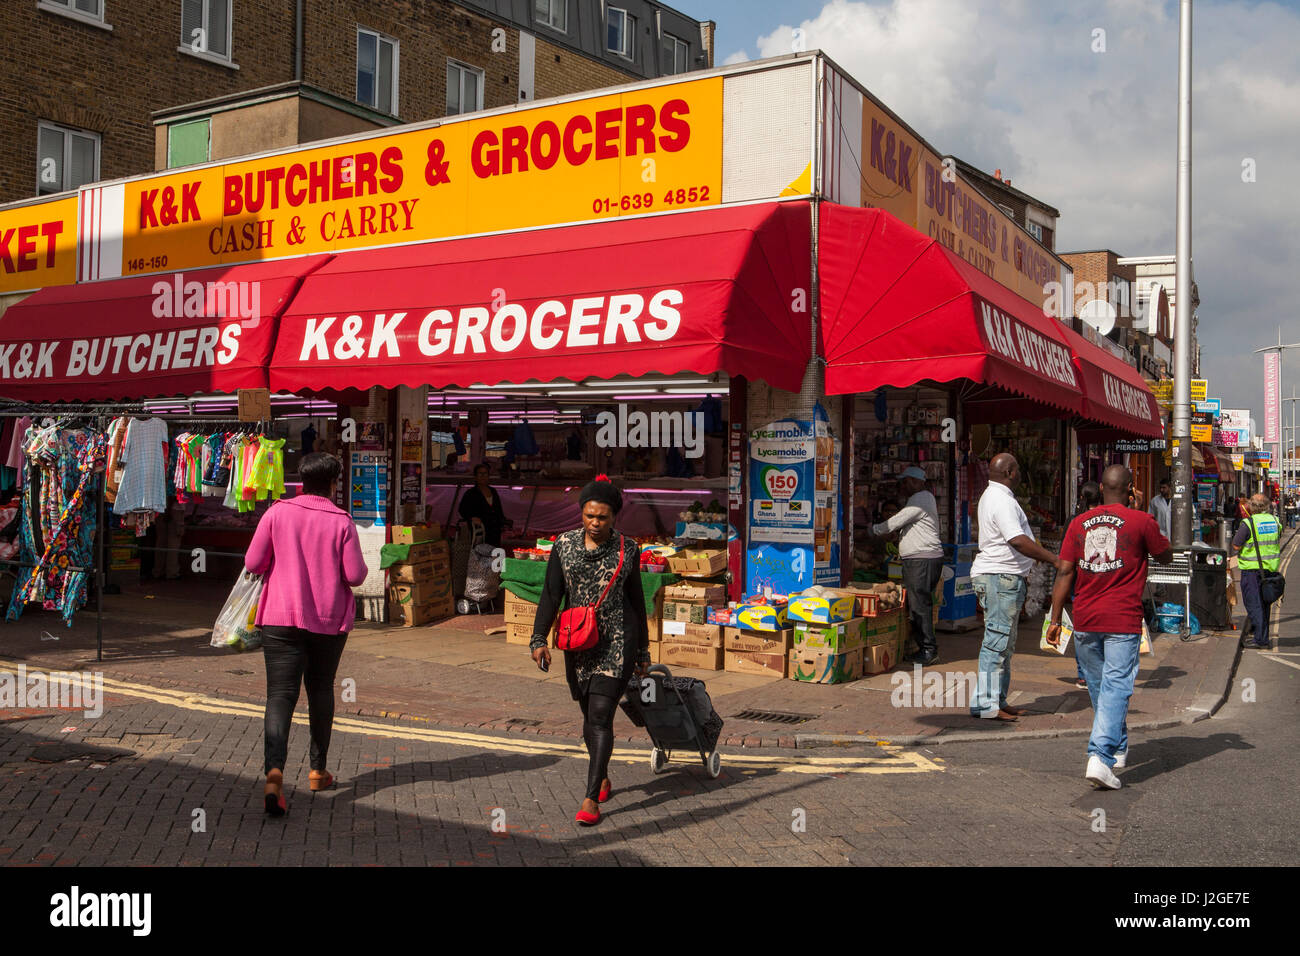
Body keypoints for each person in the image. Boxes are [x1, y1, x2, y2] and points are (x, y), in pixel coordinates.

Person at [245, 452, 368, 816]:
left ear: (301, 481)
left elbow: (253, 563)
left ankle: (273, 773)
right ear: (333, 483)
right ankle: (317, 770)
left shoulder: (277, 512)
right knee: (319, 690)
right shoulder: (341, 521)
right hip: (327, 621)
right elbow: (356, 575)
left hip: (280, 618)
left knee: (280, 696)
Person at [530, 477, 649, 827]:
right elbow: (551, 593)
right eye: (589, 515)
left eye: (603, 517)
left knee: (600, 716)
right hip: (578, 641)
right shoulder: (563, 545)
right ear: (581, 513)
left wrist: (642, 649)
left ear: (614, 517)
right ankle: (603, 775)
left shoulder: (629, 548)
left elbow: (637, 602)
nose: (595, 523)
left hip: (617, 642)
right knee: (587, 715)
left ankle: (590, 797)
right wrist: (538, 639)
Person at [1048, 465, 1173, 790]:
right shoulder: (1142, 521)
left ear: (1102, 488)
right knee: (1115, 687)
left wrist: (1056, 617)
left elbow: (1064, 572)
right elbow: (1167, 557)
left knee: (1101, 689)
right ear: (1131, 489)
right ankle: (1100, 756)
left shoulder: (1078, 523)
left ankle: (1116, 747)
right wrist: (1144, 516)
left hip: (1086, 620)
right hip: (1122, 620)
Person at [968, 453, 1060, 721]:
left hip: (1002, 577)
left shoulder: (995, 497)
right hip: (999, 578)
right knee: (996, 644)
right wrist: (1053, 558)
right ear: (1010, 472)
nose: (1020, 474)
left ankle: (998, 700)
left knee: (1004, 644)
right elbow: (1016, 540)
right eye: (1018, 469)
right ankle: (986, 705)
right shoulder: (1001, 500)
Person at [870, 466, 944, 665]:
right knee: (920, 604)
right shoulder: (923, 498)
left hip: (921, 561)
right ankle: (926, 647)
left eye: (904, 482)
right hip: (924, 559)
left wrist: (872, 530)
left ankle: (929, 650)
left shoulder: (919, 499)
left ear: (914, 481)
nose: (901, 486)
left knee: (919, 605)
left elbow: (894, 522)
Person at [1232, 493, 1281, 650]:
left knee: (1254, 604)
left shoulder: (1248, 523)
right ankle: (1262, 634)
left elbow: (1236, 545)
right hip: (1270, 570)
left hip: (1252, 571)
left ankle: (1260, 639)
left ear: (1251, 507)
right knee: (1265, 604)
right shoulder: (1275, 521)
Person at [1069, 481, 1103, 690]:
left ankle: (1084, 673)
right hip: (1101, 580)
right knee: (1100, 628)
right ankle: (1097, 671)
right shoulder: (1106, 520)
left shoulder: (1074, 521)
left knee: (1082, 627)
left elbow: (1065, 560)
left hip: (1078, 582)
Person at [458, 462, 513, 547]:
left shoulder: (493, 491)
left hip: (494, 530)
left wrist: (503, 522)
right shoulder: (470, 493)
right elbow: (462, 509)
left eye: (485, 473)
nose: (483, 476)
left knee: (494, 554)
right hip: (480, 530)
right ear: (475, 477)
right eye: (480, 473)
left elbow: (498, 509)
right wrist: (471, 518)